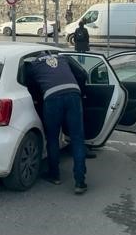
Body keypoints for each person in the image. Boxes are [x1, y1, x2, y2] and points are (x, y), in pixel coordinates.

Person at [25, 53, 89, 194]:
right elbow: (82, 74)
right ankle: (80, 182)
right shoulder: (62, 58)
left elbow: (29, 86)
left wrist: (38, 99)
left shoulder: (33, 65)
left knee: (52, 138)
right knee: (77, 139)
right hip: (73, 95)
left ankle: (54, 175)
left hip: (52, 98)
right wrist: (81, 92)